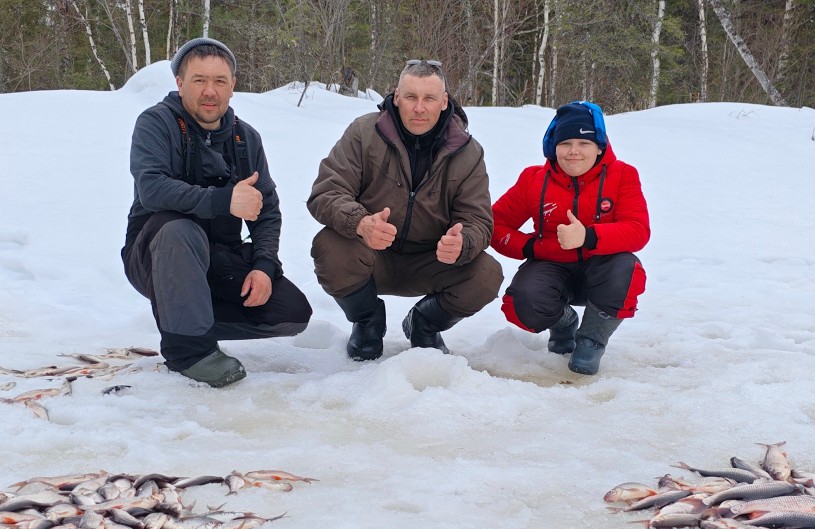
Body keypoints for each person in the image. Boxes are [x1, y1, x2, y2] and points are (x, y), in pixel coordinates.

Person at [122, 37, 311, 387]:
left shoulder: (245, 139)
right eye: (199, 80)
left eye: (220, 81)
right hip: (154, 253)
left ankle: (183, 315)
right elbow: (152, 189)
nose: (210, 91)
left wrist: (264, 267)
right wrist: (225, 201)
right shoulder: (156, 124)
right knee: (180, 230)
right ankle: (190, 351)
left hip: (216, 258)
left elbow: (266, 211)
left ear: (232, 86)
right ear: (180, 83)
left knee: (291, 313)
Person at [307, 60, 502, 360]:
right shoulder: (363, 133)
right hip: (372, 254)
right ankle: (367, 322)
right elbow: (326, 192)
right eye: (411, 97)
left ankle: (424, 323)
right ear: (396, 97)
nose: (419, 108)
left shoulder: (468, 152)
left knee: (487, 274)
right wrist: (361, 223)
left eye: (429, 98)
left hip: (433, 260)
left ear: (444, 101)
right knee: (329, 247)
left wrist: (463, 244)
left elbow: (478, 220)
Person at [490, 101, 649, 376]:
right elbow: (495, 224)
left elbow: (638, 230)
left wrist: (587, 236)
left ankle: (591, 340)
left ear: (599, 146)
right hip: (552, 265)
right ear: (554, 146)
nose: (574, 151)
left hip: (601, 270)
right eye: (565, 143)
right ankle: (564, 323)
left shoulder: (623, 175)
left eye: (584, 143)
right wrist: (532, 245)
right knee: (521, 303)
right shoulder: (533, 179)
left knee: (627, 269)